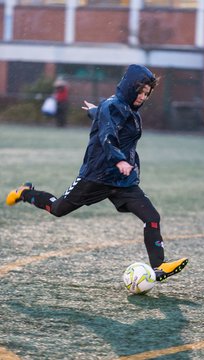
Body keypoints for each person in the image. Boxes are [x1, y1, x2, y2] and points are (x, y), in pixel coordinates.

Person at [6, 64, 188, 282]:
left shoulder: (123, 110)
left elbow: (109, 120)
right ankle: (26, 192)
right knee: (58, 208)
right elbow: (107, 135)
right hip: (97, 176)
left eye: (147, 94)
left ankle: (159, 267)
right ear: (130, 87)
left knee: (152, 217)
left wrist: (95, 111)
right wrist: (119, 159)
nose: (142, 97)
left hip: (122, 181)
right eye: (140, 91)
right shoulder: (112, 106)